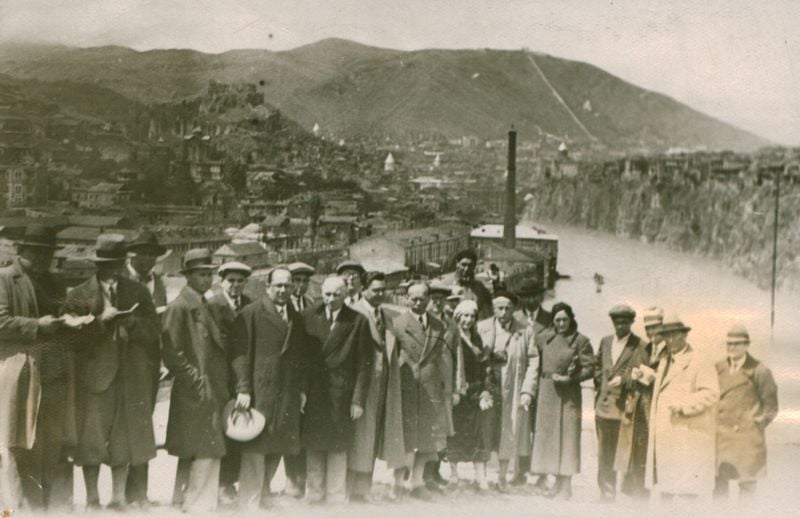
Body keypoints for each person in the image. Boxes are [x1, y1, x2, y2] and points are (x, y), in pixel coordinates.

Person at [64, 234, 159, 511]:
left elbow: (154, 331)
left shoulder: (138, 292)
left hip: (130, 378)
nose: (113, 269)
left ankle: (117, 499)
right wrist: (98, 324)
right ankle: (92, 499)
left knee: (124, 439)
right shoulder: (79, 294)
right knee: (91, 441)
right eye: (107, 264)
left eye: (117, 263)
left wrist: (132, 323)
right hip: (95, 379)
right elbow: (70, 340)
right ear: (97, 264)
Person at [0, 225, 70, 511]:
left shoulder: (53, 282)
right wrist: (36, 326)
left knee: (48, 445)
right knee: (17, 443)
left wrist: (71, 320)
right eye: (37, 253)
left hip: (52, 372)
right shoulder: (5, 279)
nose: (43, 258)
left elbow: (62, 316)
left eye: (48, 253)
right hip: (19, 371)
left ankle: (42, 508)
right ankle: (15, 509)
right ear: (21, 251)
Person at [230, 266, 307, 510]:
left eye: (288, 285)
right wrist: (243, 388)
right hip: (260, 390)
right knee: (256, 445)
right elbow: (240, 354)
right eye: (278, 286)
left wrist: (302, 389)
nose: (283, 290)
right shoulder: (251, 313)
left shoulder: (295, 315)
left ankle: (264, 493)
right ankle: (249, 502)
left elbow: (300, 356)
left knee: (278, 443)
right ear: (268, 287)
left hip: (287, 392)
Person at [161, 248, 227, 513]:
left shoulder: (204, 304)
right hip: (196, 390)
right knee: (202, 446)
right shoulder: (180, 306)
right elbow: (171, 351)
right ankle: (196, 503)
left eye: (209, 274)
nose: (207, 279)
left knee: (204, 445)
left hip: (208, 388)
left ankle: (192, 500)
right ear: (188, 276)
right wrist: (195, 381)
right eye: (201, 274)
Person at [301, 276, 372, 503]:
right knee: (313, 446)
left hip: (341, 394)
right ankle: (313, 494)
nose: (331, 300)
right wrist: (301, 392)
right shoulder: (308, 316)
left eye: (337, 295)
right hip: (314, 393)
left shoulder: (357, 321)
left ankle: (335, 497)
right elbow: (300, 360)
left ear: (345, 295)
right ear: (321, 293)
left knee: (338, 447)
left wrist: (358, 400)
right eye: (327, 294)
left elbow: (364, 364)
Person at [645, 314, 719, 500]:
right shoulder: (664, 362)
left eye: (674, 335)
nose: (670, 340)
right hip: (666, 438)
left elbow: (711, 393)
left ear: (684, 336)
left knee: (687, 492)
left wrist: (684, 405)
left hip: (687, 437)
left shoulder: (699, 360)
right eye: (666, 336)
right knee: (667, 490)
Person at [347, 272, 406, 502]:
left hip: (383, 386)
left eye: (383, 290)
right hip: (362, 386)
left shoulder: (387, 316)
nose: (380, 294)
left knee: (373, 436)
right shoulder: (354, 314)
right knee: (358, 437)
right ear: (363, 289)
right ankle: (348, 489)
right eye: (375, 290)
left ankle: (363, 490)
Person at [392, 282, 452, 500]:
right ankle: (398, 483)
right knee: (406, 439)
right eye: (413, 299)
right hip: (408, 388)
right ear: (406, 299)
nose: (418, 303)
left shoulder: (438, 325)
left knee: (428, 440)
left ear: (428, 299)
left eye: (422, 298)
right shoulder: (397, 324)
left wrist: (447, 388)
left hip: (431, 389)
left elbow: (443, 359)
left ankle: (417, 483)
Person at [122, 229, 167, 509]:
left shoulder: (159, 283)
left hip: (149, 365)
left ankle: (138, 493)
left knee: (143, 426)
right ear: (131, 254)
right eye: (142, 253)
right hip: (123, 363)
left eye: (152, 254)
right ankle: (118, 494)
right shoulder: (121, 280)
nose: (148, 258)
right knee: (121, 428)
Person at [531, 302, 595, 500]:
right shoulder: (543, 339)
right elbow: (534, 361)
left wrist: (571, 379)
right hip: (547, 394)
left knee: (568, 439)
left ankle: (566, 486)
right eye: (557, 320)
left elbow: (590, 369)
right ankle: (556, 483)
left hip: (568, 395)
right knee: (549, 439)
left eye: (565, 319)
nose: (561, 323)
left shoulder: (581, 341)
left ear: (571, 319)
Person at [477, 291, 539, 491]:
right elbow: (475, 356)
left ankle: (503, 475)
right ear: (494, 309)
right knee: (486, 428)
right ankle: (482, 476)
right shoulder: (483, 328)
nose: (504, 312)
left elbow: (533, 360)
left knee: (509, 430)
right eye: (499, 308)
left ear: (514, 309)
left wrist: (527, 390)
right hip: (489, 387)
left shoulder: (525, 331)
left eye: (508, 308)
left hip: (513, 388)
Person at [205, 261, 253, 504]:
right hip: (219, 378)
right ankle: (220, 484)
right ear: (221, 281)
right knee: (219, 431)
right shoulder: (212, 306)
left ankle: (231, 482)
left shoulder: (250, 304)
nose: (235, 285)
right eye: (231, 281)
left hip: (243, 378)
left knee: (239, 430)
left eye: (240, 281)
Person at [714, 324, 778, 499]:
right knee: (719, 486)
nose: (731, 348)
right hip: (722, 438)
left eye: (736, 344)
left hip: (747, 441)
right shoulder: (719, 367)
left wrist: (756, 424)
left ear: (746, 345)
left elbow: (771, 407)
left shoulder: (759, 370)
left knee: (747, 486)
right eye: (729, 344)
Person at [615, 307, 666, 499]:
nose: (652, 333)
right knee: (638, 450)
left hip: (656, 407)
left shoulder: (669, 351)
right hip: (638, 407)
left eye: (655, 328)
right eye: (648, 329)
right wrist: (632, 376)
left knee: (657, 455)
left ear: (663, 328)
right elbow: (629, 372)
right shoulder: (643, 349)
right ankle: (638, 497)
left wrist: (650, 377)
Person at [593, 304, 642, 501]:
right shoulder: (605, 342)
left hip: (624, 408)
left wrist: (625, 379)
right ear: (612, 322)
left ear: (631, 322)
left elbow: (643, 371)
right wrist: (600, 382)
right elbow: (598, 365)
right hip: (604, 407)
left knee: (625, 451)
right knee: (604, 451)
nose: (620, 325)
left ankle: (628, 490)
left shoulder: (639, 344)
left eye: (625, 322)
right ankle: (606, 490)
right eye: (617, 321)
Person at [446, 300, 492, 491]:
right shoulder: (452, 337)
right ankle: (454, 474)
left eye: (472, 316)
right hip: (458, 392)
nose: (468, 320)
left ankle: (480, 476)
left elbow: (482, 366)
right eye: (464, 316)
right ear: (458, 317)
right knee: (454, 433)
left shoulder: (477, 339)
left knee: (478, 434)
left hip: (474, 391)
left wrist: (484, 390)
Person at [451, 249, 492, 319]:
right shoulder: (448, 285)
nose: (466, 269)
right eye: (463, 265)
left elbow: (489, 312)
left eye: (470, 265)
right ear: (457, 264)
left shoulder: (480, 288)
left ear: (474, 266)